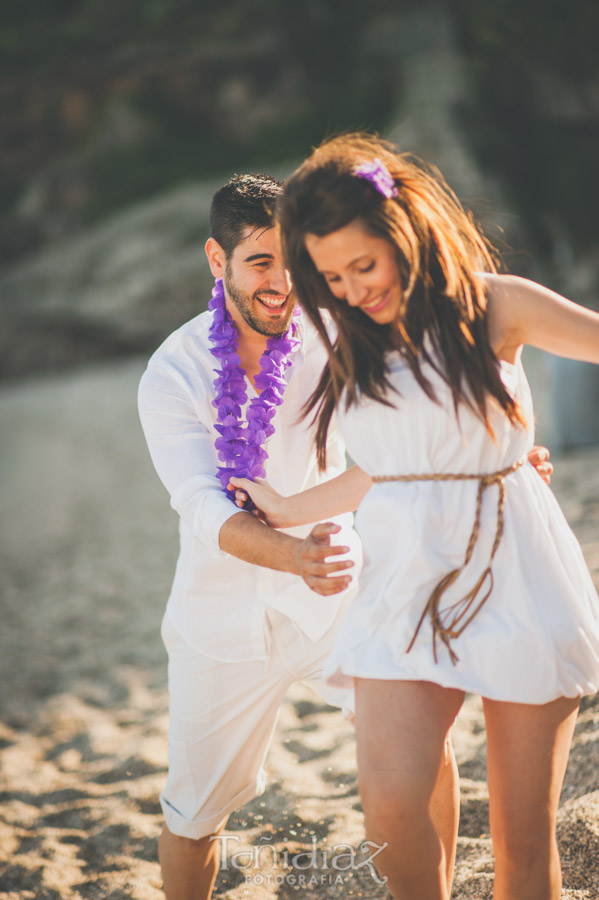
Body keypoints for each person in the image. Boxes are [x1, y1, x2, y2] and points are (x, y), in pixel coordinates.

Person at [228, 135, 599, 900]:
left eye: (364, 265)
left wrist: (501, 452)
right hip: (402, 579)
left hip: (514, 565)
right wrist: (291, 508)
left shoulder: (496, 303)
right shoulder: (347, 333)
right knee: (391, 803)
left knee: (520, 845)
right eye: (331, 277)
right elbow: (390, 463)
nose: (353, 289)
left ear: (405, 233)